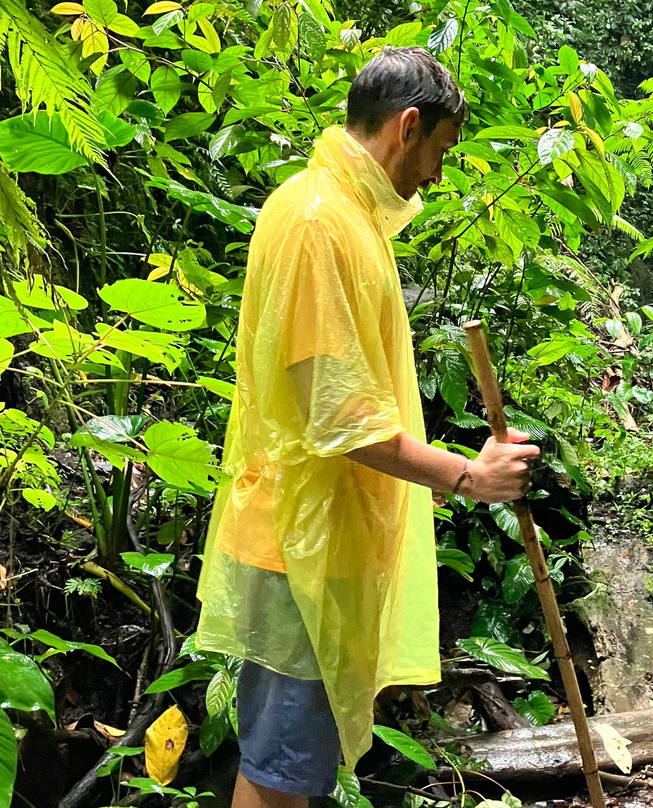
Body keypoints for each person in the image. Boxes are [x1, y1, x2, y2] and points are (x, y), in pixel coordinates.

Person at [196, 46, 540, 808]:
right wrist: (468, 477)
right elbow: (340, 417)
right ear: (407, 126)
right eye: (441, 151)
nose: (438, 175)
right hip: (299, 545)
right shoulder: (319, 223)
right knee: (280, 773)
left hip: (321, 541)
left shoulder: (346, 218)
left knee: (296, 766)